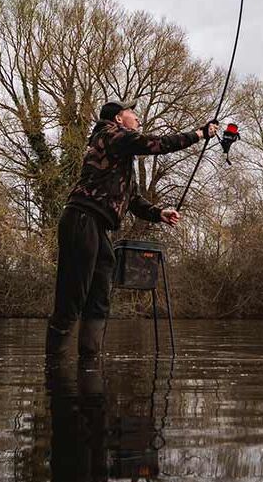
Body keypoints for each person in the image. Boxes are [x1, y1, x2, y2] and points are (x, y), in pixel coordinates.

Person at [45, 100, 219, 358]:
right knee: (72, 298)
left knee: (99, 299)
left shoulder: (121, 154)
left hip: (98, 227)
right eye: (132, 113)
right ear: (118, 118)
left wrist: (159, 213)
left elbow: (133, 199)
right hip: (81, 220)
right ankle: (53, 367)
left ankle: (89, 364)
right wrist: (200, 133)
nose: (137, 119)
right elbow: (157, 144)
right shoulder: (110, 135)